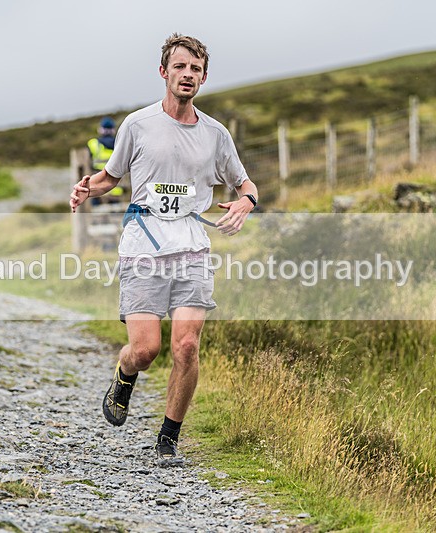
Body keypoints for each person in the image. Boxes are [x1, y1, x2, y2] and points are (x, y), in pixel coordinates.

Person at [70, 34, 259, 467]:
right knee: (146, 350)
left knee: (187, 346)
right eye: (180, 67)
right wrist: (87, 189)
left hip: (192, 246)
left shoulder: (216, 135)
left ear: (204, 77)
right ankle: (125, 374)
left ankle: (168, 438)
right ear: (164, 72)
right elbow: (111, 175)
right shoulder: (137, 125)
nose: (188, 75)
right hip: (144, 246)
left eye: (196, 69)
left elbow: (245, 183)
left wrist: (247, 202)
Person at [87, 117, 124, 204]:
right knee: (115, 215)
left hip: (97, 188)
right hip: (117, 189)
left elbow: (86, 164)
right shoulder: (120, 144)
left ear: (100, 130)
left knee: (96, 214)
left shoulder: (93, 144)